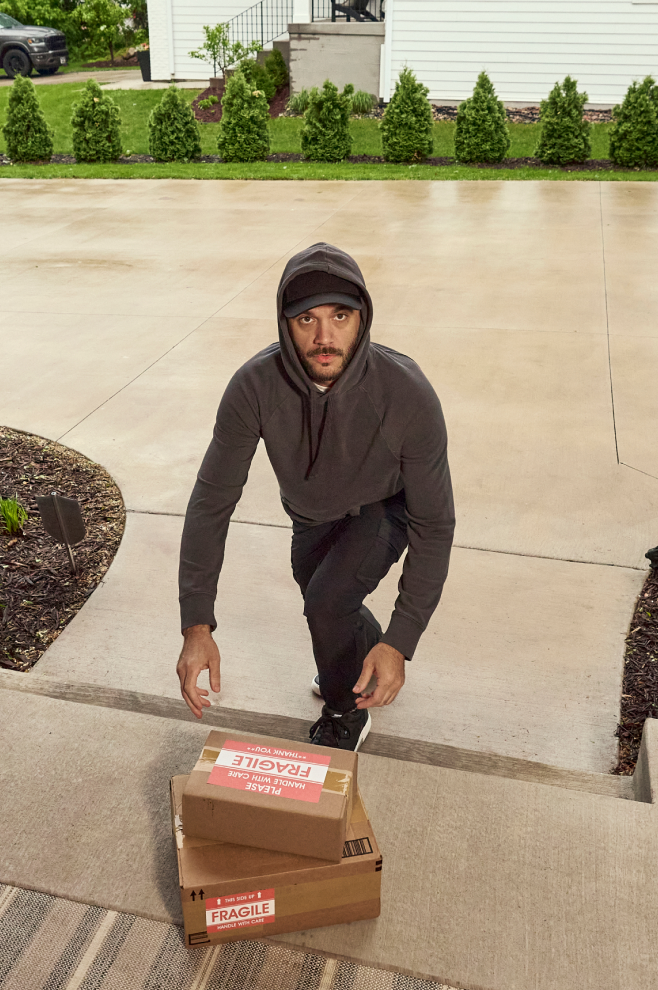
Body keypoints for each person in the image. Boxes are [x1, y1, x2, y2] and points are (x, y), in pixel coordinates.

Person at [175, 242, 456, 751]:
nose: (325, 338)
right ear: (285, 324)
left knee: (327, 604)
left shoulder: (407, 392)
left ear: (362, 320)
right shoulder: (253, 387)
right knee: (327, 602)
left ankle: (343, 709)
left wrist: (401, 642)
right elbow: (211, 501)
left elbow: (435, 523)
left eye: (340, 317)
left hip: (383, 507)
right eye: (306, 319)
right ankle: (354, 660)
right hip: (310, 516)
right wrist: (196, 623)